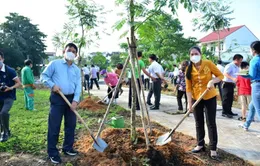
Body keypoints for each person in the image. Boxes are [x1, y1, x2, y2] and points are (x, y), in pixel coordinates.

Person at [41, 43, 81, 164]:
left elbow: (78, 86)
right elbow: (44, 76)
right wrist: (52, 85)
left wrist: (75, 100)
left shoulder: (76, 69)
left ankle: (67, 148)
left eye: (74, 51)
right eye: (69, 50)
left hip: (71, 98)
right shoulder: (55, 64)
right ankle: (52, 152)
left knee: (71, 125)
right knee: (54, 126)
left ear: (76, 54)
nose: (71, 52)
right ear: (64, 51)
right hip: (58, 97)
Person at [186, 46, 223, 160]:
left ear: (200, 54)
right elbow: (188, 88)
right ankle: (200, 144)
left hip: (210, 97)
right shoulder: (189, 69)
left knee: (211, 122)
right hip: (197, 98)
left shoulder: (208, 63)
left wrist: (212, 81)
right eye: (191, 54)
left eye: (196, 53)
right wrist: (189, 103)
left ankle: (213, 149)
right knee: (198, 122)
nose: (194, 56)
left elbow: (220, 76)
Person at [0, 51, 21, 142]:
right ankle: (6, 130)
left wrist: (10, 88)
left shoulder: (10, 70)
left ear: (3, 59)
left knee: (3, 112)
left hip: (9, 95)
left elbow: (19, 83)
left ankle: (5, 133)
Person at [239, 41, 260, 131]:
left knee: (258, 109)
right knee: (252, 106)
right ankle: (246, 124)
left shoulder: (254, 60)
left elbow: (252, 75)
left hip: (257, 86)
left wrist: (241, 74)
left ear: (254, 50)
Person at [222, 54, 243, 118]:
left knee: (230, 98)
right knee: (226, 98)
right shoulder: (230, 65)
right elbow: (225, 73)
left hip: (232, 84)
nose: (240, 63)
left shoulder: (237, 67)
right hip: (227, 83)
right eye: (240, 61)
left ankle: (229, 111)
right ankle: (225, 112)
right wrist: (232, 78)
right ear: (236, 59)